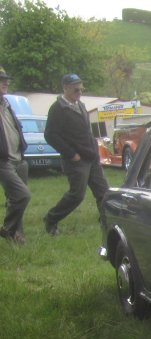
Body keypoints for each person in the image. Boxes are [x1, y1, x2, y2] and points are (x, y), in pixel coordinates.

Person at [43, 73, 109, 235]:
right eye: (76, 88)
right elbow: (50, 135)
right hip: (76, 160)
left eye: (81, 88)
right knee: (77, 195)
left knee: (104, 192)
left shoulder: (80, 105)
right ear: (65, 88)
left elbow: (87, 132)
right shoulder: (58, 108)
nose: (80, 91)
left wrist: (95, 150)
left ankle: (107, 222)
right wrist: (71, 154)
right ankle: (51, 219)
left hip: (91, 157)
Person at [0, 67, 31, 245]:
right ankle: (8, 229)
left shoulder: (6, 104)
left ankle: (16, 233)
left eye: (6, 79)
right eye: (1, 80)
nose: (6, 83)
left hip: (19, 159)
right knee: (22, 195)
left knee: (15, 199)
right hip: (3, 161)